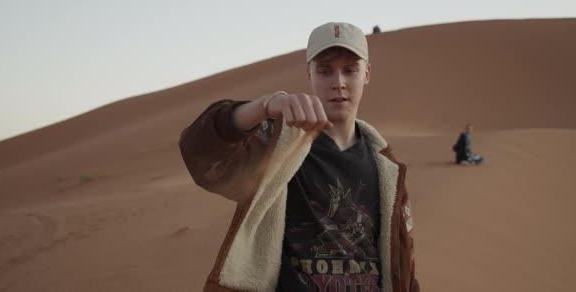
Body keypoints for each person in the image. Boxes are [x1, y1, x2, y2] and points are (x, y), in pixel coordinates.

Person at [178, 22, 420, 292]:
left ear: (367, 74)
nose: (338, 82)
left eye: (350, 70)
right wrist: (264, 107)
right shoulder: (277, 149)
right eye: (325, 70)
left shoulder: (387, 168)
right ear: (309, 73)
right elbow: (200, 154)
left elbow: (404, 266)